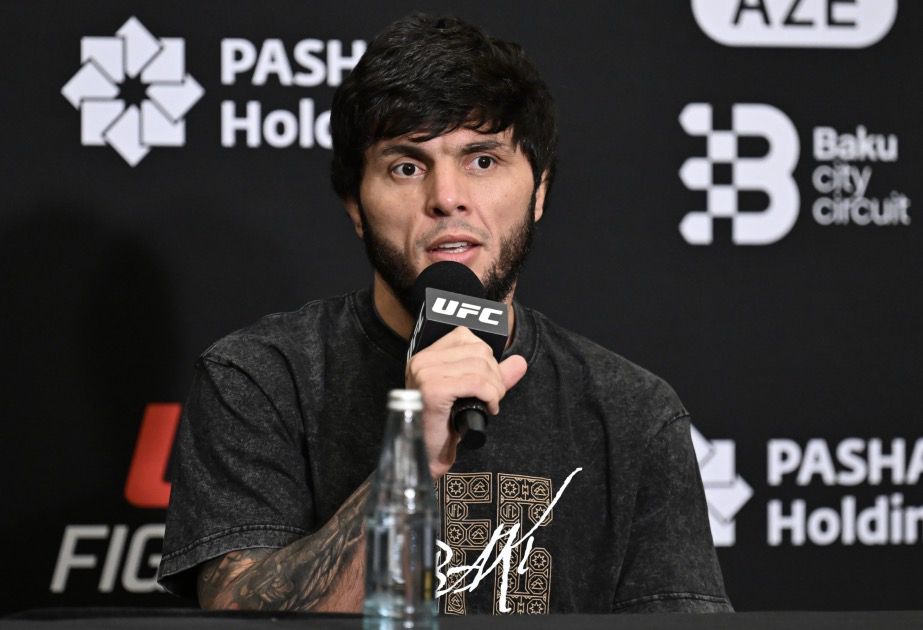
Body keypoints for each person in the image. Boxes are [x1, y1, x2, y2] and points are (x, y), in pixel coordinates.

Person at [157, 13, 732, 615]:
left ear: (539, 191)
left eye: (482, 161)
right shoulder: (260, 378)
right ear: (355, 206)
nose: (447, 198)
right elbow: (238, 612)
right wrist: (411, 458)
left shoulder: (632, 412)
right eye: (407, 166)